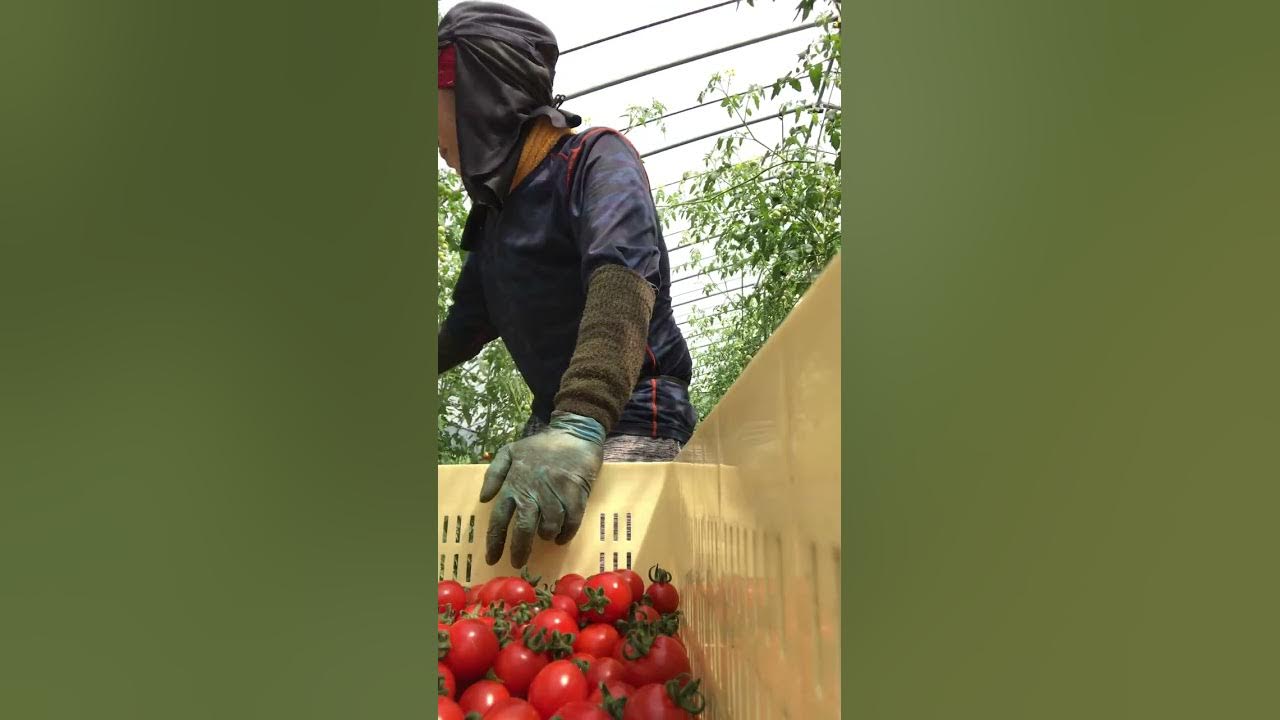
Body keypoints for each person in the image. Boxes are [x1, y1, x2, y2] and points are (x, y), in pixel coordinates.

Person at [436, 2, 697, 569]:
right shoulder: (494, 219)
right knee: (523, 574)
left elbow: (621, 282)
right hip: (558, 421)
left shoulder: (595, 161)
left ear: (480, 99)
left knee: (611, 577)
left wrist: (580, 422)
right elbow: (461, 328)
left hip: (629, 412)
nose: (434, 139)